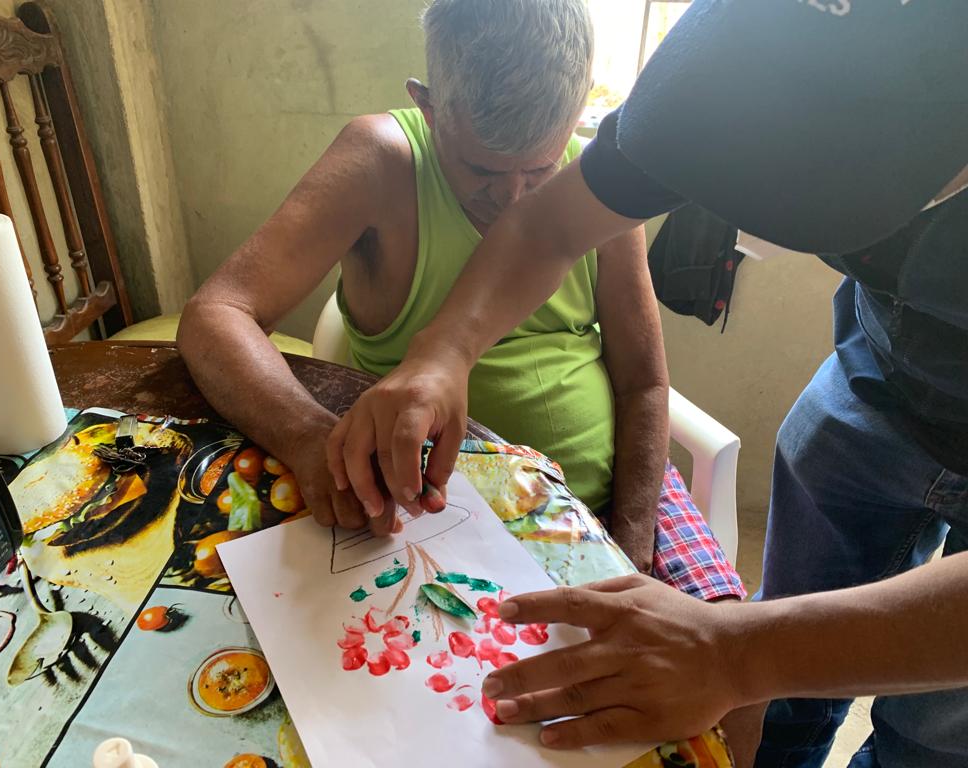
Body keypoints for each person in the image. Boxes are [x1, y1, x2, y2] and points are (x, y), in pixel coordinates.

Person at [325, 1, 968, 766]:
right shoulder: (723, 63)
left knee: (932, 734)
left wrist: (738, 654)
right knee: (787, 688)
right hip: (877, 370)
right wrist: (442, 352)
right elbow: (548, 227)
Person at [177, 0, 742, 601]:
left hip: (612, 500)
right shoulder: (381, 163)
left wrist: (628, 551)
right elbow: (215, 315)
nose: (513, 200)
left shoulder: (603, 181)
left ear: (577, 116)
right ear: (428, 106)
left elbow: (644, 383)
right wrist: (307, 437)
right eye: (482, 171)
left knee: (719, 649)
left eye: (539, 172)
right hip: (436, 514)